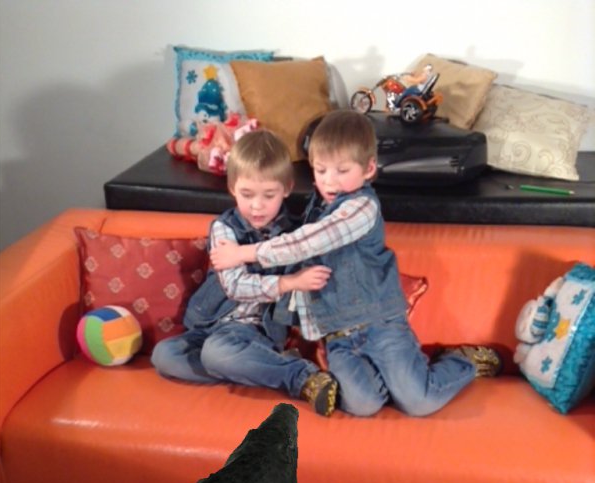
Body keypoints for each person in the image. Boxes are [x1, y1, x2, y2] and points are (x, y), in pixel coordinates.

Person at [210, 109, 501, 418]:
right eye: (320, 170)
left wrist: (244, 253)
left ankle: (461, 361)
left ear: (369, 168)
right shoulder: (315, 208)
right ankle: (400, 380)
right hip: (339, 337)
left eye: (342, 170)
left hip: (381, 325)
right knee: (363, 405)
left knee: (419, 402)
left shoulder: (361, 208)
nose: (329, 181)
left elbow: (309, 242)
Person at [151, 129, 338, 416]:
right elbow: (235, 286)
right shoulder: (224, 229)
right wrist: (288, 282)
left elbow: (323, 227)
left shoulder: (292, 235)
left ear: (286, 188)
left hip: (254, 331)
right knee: (164, 355)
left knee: (216, 353)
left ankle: (300, 376)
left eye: (268, 195)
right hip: (210, 323)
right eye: (247, 194)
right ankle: (258, 367)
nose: (257, 205)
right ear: (232, 188)